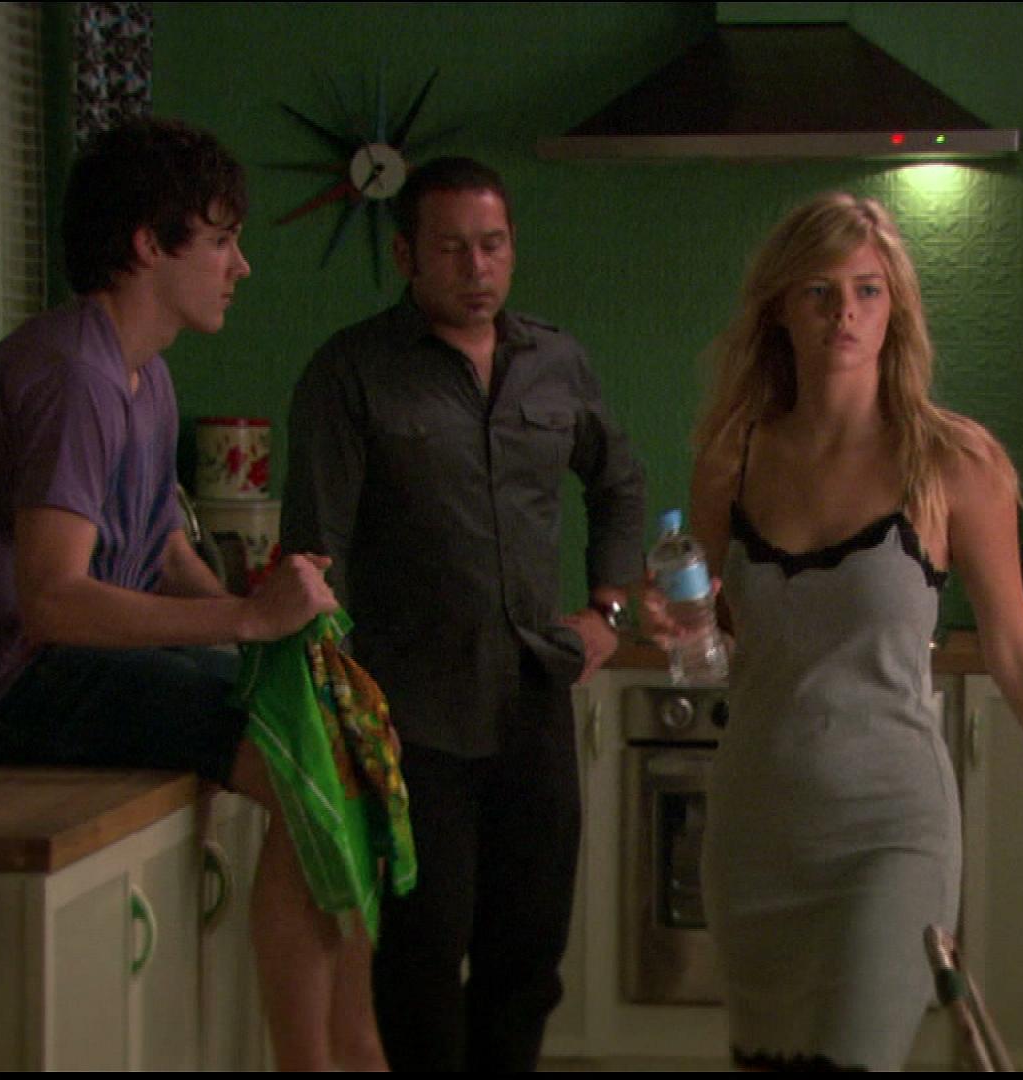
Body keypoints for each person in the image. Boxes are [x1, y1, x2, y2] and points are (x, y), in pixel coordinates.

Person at [0, 117, 387, 1070]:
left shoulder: (143, 376)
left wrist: (268, 641)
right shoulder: (75, 376)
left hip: (82, 666)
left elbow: (160, 549)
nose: (240, 266)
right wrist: (247, 616)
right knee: (311, 765)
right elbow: (52, 600)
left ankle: (353, 1046)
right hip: (16, 690)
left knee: (344, 726)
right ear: (148, 245)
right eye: (221, 240)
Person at [649, 192, 1023, 1070]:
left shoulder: (951, 463)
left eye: (867, 291)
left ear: (895, 307)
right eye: (819, 291)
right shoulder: (732, 459)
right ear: (780, 308)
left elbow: (1016, 650)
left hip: (889, 831)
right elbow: (715, 631)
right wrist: (673, 618)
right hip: (756, 827)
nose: (845, 313)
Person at [281, 156, 647, 1071]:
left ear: (512, 248)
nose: (475, 268)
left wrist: (607, 608)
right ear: (406, 255)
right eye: (450, 249)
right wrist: (334, 706)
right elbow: (314, 555)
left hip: (532, 701)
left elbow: (619, 484)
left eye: (492, 245)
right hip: (410, 719)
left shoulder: (556, 362)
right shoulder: (351, 372)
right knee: (418, 966)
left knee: (528, 962)